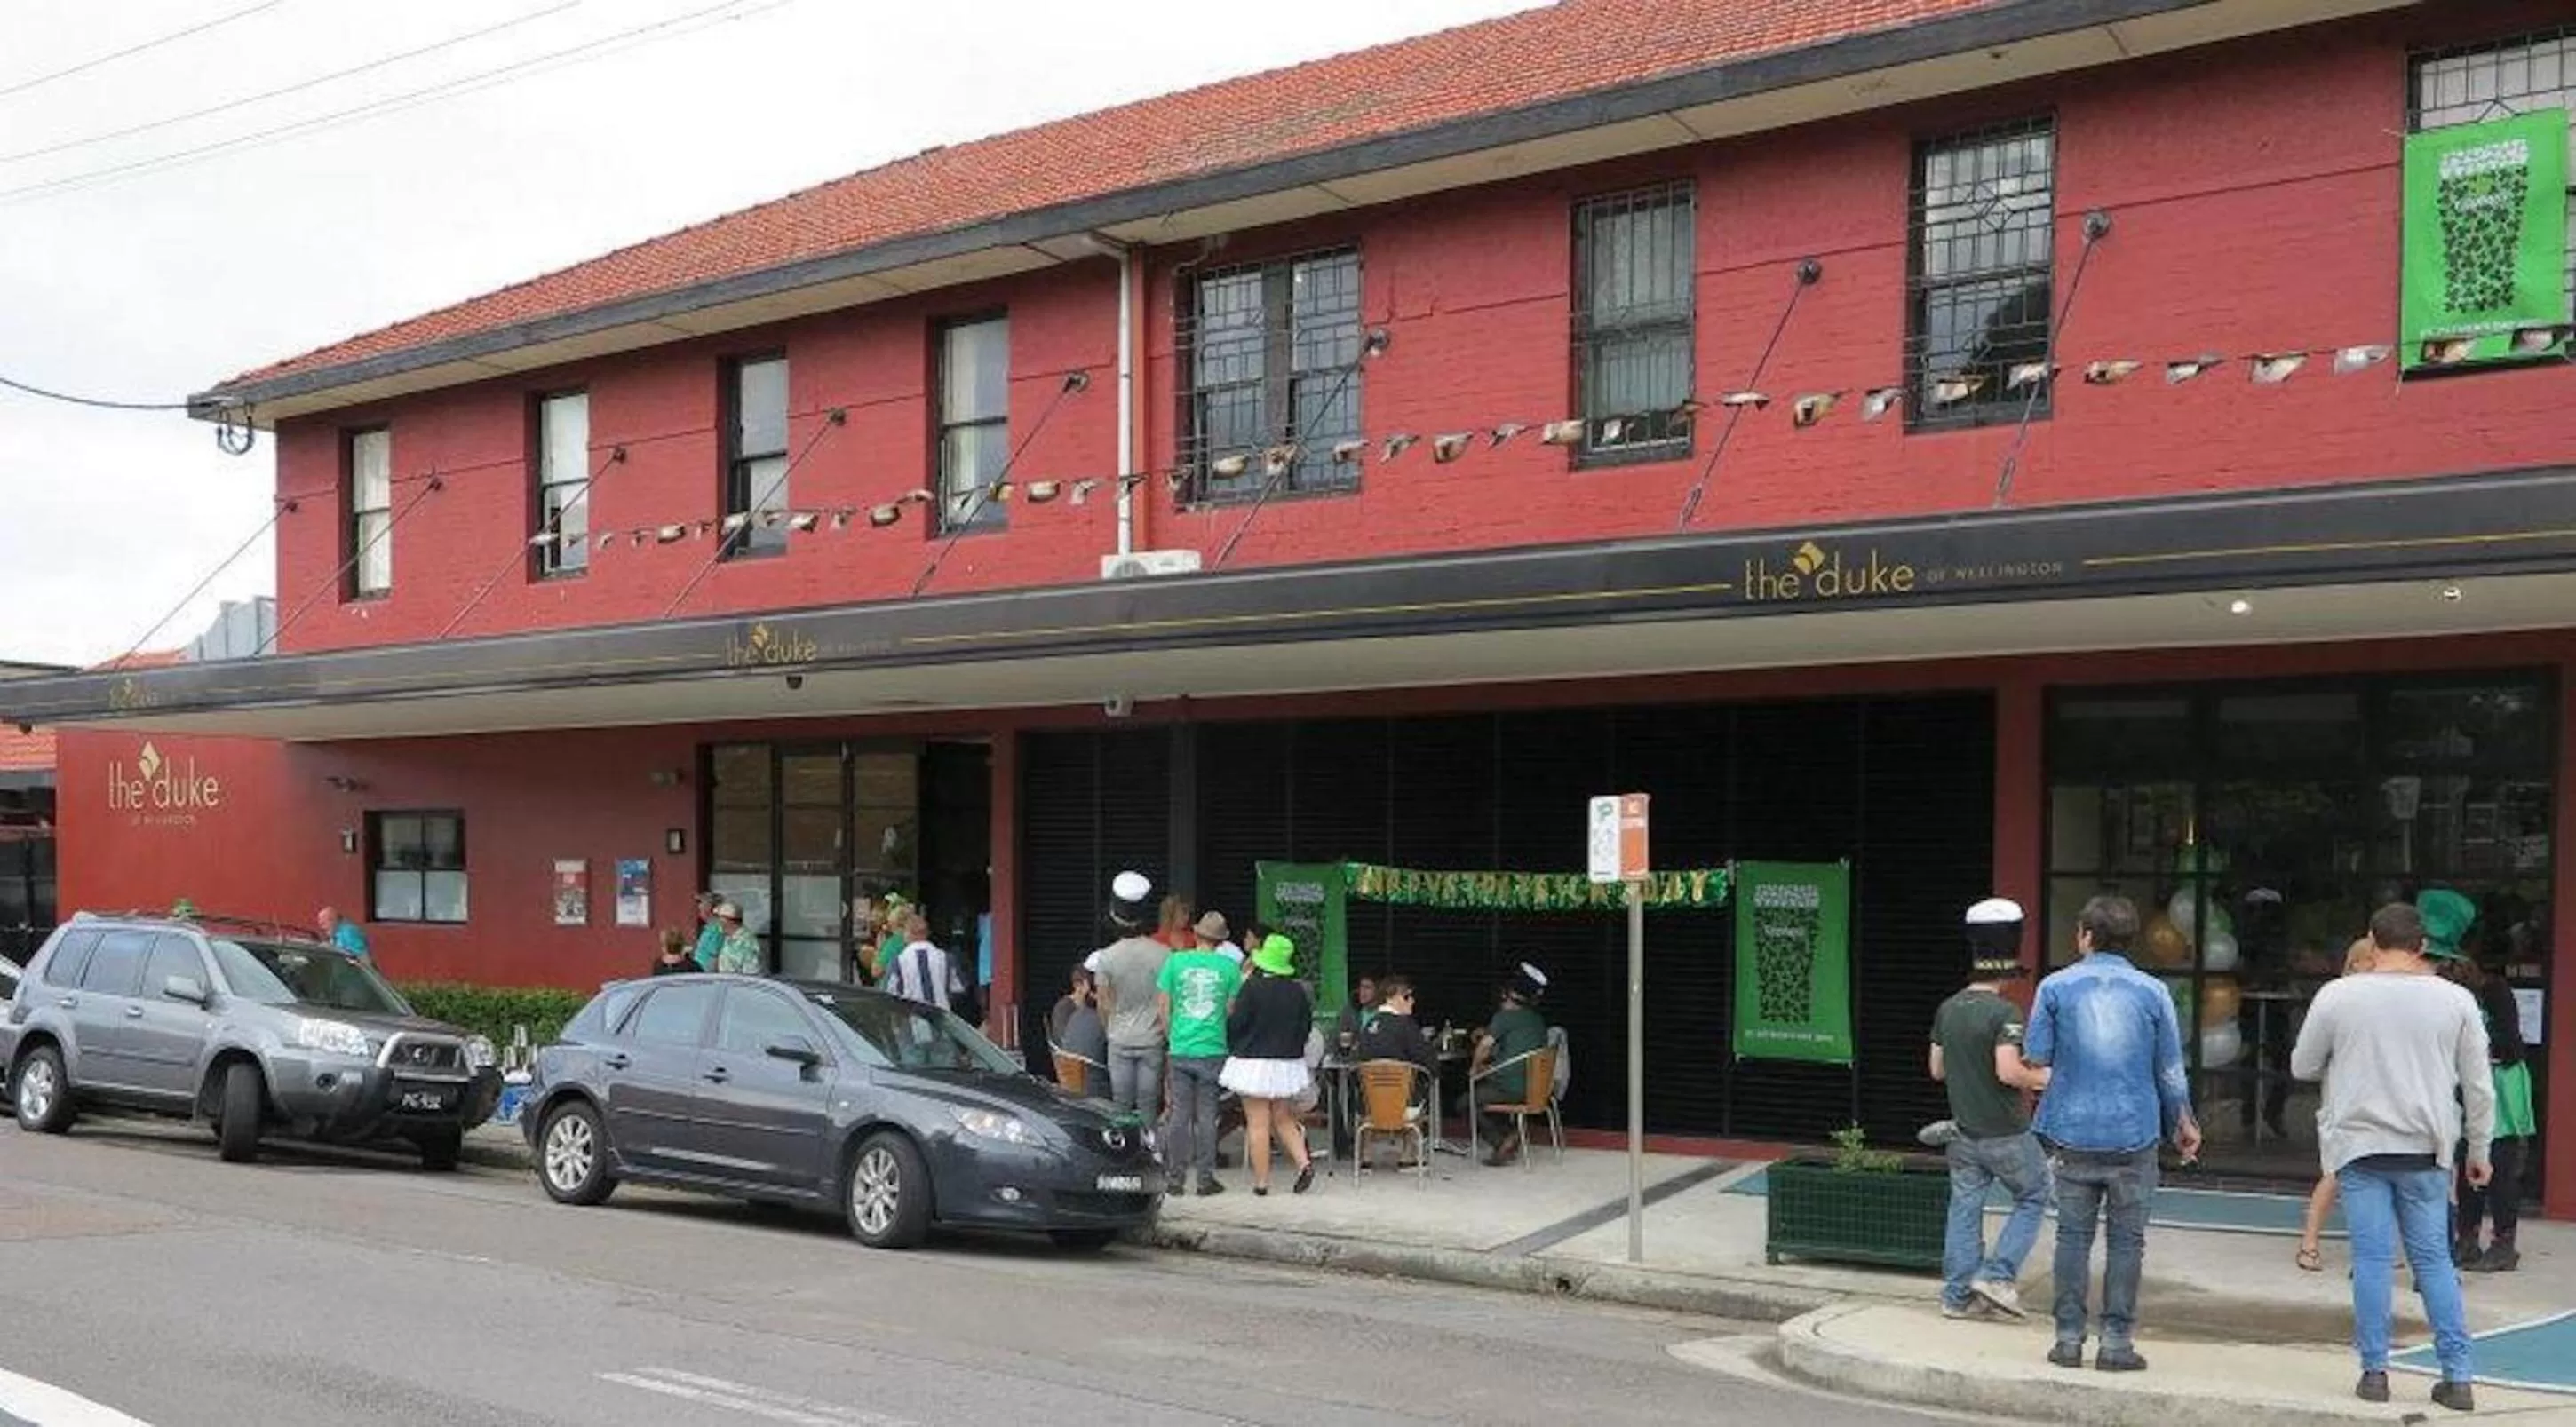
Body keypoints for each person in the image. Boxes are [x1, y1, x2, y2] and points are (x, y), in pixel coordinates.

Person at [2293, 901, 2493, 1411]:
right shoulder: (2457, 1001)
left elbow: (2302, 1064)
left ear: (2371, 940)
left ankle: (2375, 1372)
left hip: (2360, 1146)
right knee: (2434, 1263)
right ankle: (2458, 1375)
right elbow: (2478, 1085)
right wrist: (2480, 1148)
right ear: (2422, 945)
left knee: (2373, 1261)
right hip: (2428, 1148)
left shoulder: (2338, 996)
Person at [2022, 893, 2200, 1373]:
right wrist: (2182, 1121)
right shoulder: (2153, 992)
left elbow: (2036, 1055)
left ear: (2085, 935)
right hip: (2134, 1132)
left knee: (2071, 1238)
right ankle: (2116, 1343)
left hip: (2072, 1130)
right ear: (2131, 940)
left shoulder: (2055, 987)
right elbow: (2169, 1071)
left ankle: (2066, 1340)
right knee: (2127, 1243)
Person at [1929, 898, 2054, 1321]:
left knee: (1964, 1208)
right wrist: (2045, 1079)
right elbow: (2008, 1072)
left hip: (1964, 1134)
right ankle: (1998, 1276)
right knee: (2035, 1194)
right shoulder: (2005, 1012)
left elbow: (1936, 1068)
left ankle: (1955, 1296)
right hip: (2007, 1132)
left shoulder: (1948, 1008)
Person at [2429, 896, 2529, 1275]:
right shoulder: (2444, 993)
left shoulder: (2495, 991)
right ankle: (2466, 1237)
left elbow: (2512, 1047)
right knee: (2462, 1160)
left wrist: (2475, 1056)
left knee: (2499, 1164)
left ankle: (2505, 1242)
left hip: (2500, 1086)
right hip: (2461, 1084)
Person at [2298, 937, 2381, 1273]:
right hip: (2343, 1100)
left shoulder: (2384, 1001)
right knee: (2335, 1173)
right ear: (2356, 963)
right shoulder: (2336, 999)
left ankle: (2373, 1251)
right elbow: (2308, 1060)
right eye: (2370, 959)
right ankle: (2309, 1242)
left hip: (2376, 1100)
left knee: (2377, 1175)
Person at [1221, 934, 1316, 1195]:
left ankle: (1262, 1182)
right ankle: (1304, 1164)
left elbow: (1236, 1024)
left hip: (1253, 1062)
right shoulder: (1297, 991)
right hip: (1286, 1063)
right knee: (1283, 1118)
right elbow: (1305, 1027)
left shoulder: (1251, 988)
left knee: (1258, 1123)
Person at [1158, 917, 1244, 1197]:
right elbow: (1231, 1010)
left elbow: (1163, 1006)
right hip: (1213, 1048)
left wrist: (1173, 1037)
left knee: (1179, 1115)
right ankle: (1205, 1180)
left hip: (1181, 1047)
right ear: (1220, 942)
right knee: (1208, 1115)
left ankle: (1175, 1179)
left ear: (1195, 935)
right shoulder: (1230, 969)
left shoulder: (1175, 962)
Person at [1090, 871, 1173, 1119]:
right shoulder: (1165, 955)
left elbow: (1103, 1004)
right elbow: (1167, 1004)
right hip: (1152, 1040)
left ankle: (1123, 1155)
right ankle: (1151, 1152)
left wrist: (1111, 1030)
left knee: (1121, 1107)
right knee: (1149, 1105)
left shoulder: (1106, 957)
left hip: (1119, 1039)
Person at [1462, 963, 1551, 1166]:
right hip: (1537, 1088)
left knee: (1466, 1102)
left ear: (1508, 996)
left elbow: (1484, 1048)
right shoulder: (1535, 1019)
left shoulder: (1504, 1018)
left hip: (1512, 1088)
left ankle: (1502, 1140)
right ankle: (1509, 1135)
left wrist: (1475, 1068)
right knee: (1484, 1094)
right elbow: (1516, 1047)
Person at [882, 909, 965, 1012]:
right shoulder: (946, 958)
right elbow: (958, 989)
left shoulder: (899, 961)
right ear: (927, 933)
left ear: (907, 933)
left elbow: (889, 993)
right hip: (942, 1016)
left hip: (912, 1017)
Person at [1357, 976, 1437, 1074]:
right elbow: (1430, 1062)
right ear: (1390, 999)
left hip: (1371, 1088)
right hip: (1403, 1087)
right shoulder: (1406, 1025)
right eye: (1406, 997)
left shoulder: (1368, 1026)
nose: (1412, 1001)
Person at [711, 900, 762, 974]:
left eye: (720, 919)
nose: (718, 923)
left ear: (728, 921)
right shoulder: (728, 938)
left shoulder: (747, 942)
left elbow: (752, 974)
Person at [1334, 975, 1382, 1043]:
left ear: (1378, 991)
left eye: (1367, 988)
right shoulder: (1349, 1012)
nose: (1362, 992)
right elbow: (1338, 1037)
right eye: (1361, 987)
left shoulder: (1384, 1014)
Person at [691, 892, 727, 971]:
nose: (698, 908)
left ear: (708, 908)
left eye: (701, 903)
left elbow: (714, 956)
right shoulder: (708, 927)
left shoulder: (717, 929)